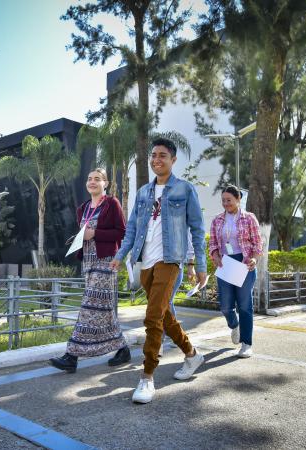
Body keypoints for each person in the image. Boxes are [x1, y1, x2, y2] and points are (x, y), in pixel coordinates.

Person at [110, 138, 207, 404]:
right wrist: (120, 255)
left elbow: (198, 230)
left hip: (170, 260)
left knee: (152, 316)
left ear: (173, 160)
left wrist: (199, 265)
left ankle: (147, 376)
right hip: (145, 262)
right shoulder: (143, 192)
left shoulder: (185, 189)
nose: (156, 159)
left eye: (162, 155)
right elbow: (132, 228)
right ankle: (192, 354)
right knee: (163, 314)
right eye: (153, 155)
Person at [49, 168, 130, 373]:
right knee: (103, 308)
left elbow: (121, 231)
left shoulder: (112, 203)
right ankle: (122, 348)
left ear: (105, 184)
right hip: (88, 262)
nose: (92, 182)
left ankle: (71, 356)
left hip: (106, 262)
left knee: (88, 306)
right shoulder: (83, 208)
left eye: (97, 179)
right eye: (89, 178)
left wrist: (95, 234)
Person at [209, 185, 262, 358]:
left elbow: (257, 243)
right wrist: (215, 255)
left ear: (238, 199)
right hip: (225, 263)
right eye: (223, 200)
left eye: (229, 200)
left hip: (244, 263)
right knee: (225, 306)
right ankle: (234, 325)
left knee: (245, 305)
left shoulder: (249, 218)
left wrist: (254, 259)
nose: (226, 203)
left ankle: (246, 343)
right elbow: (213, 243)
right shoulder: (217, 220)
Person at [159, 231, 195, 357]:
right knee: (164, 302)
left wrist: (191, 265)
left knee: (165, 302)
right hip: (154, 265)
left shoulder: (179, 220)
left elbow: (189, 241)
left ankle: (159, 340)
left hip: (174, 266)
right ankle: (175, 334)